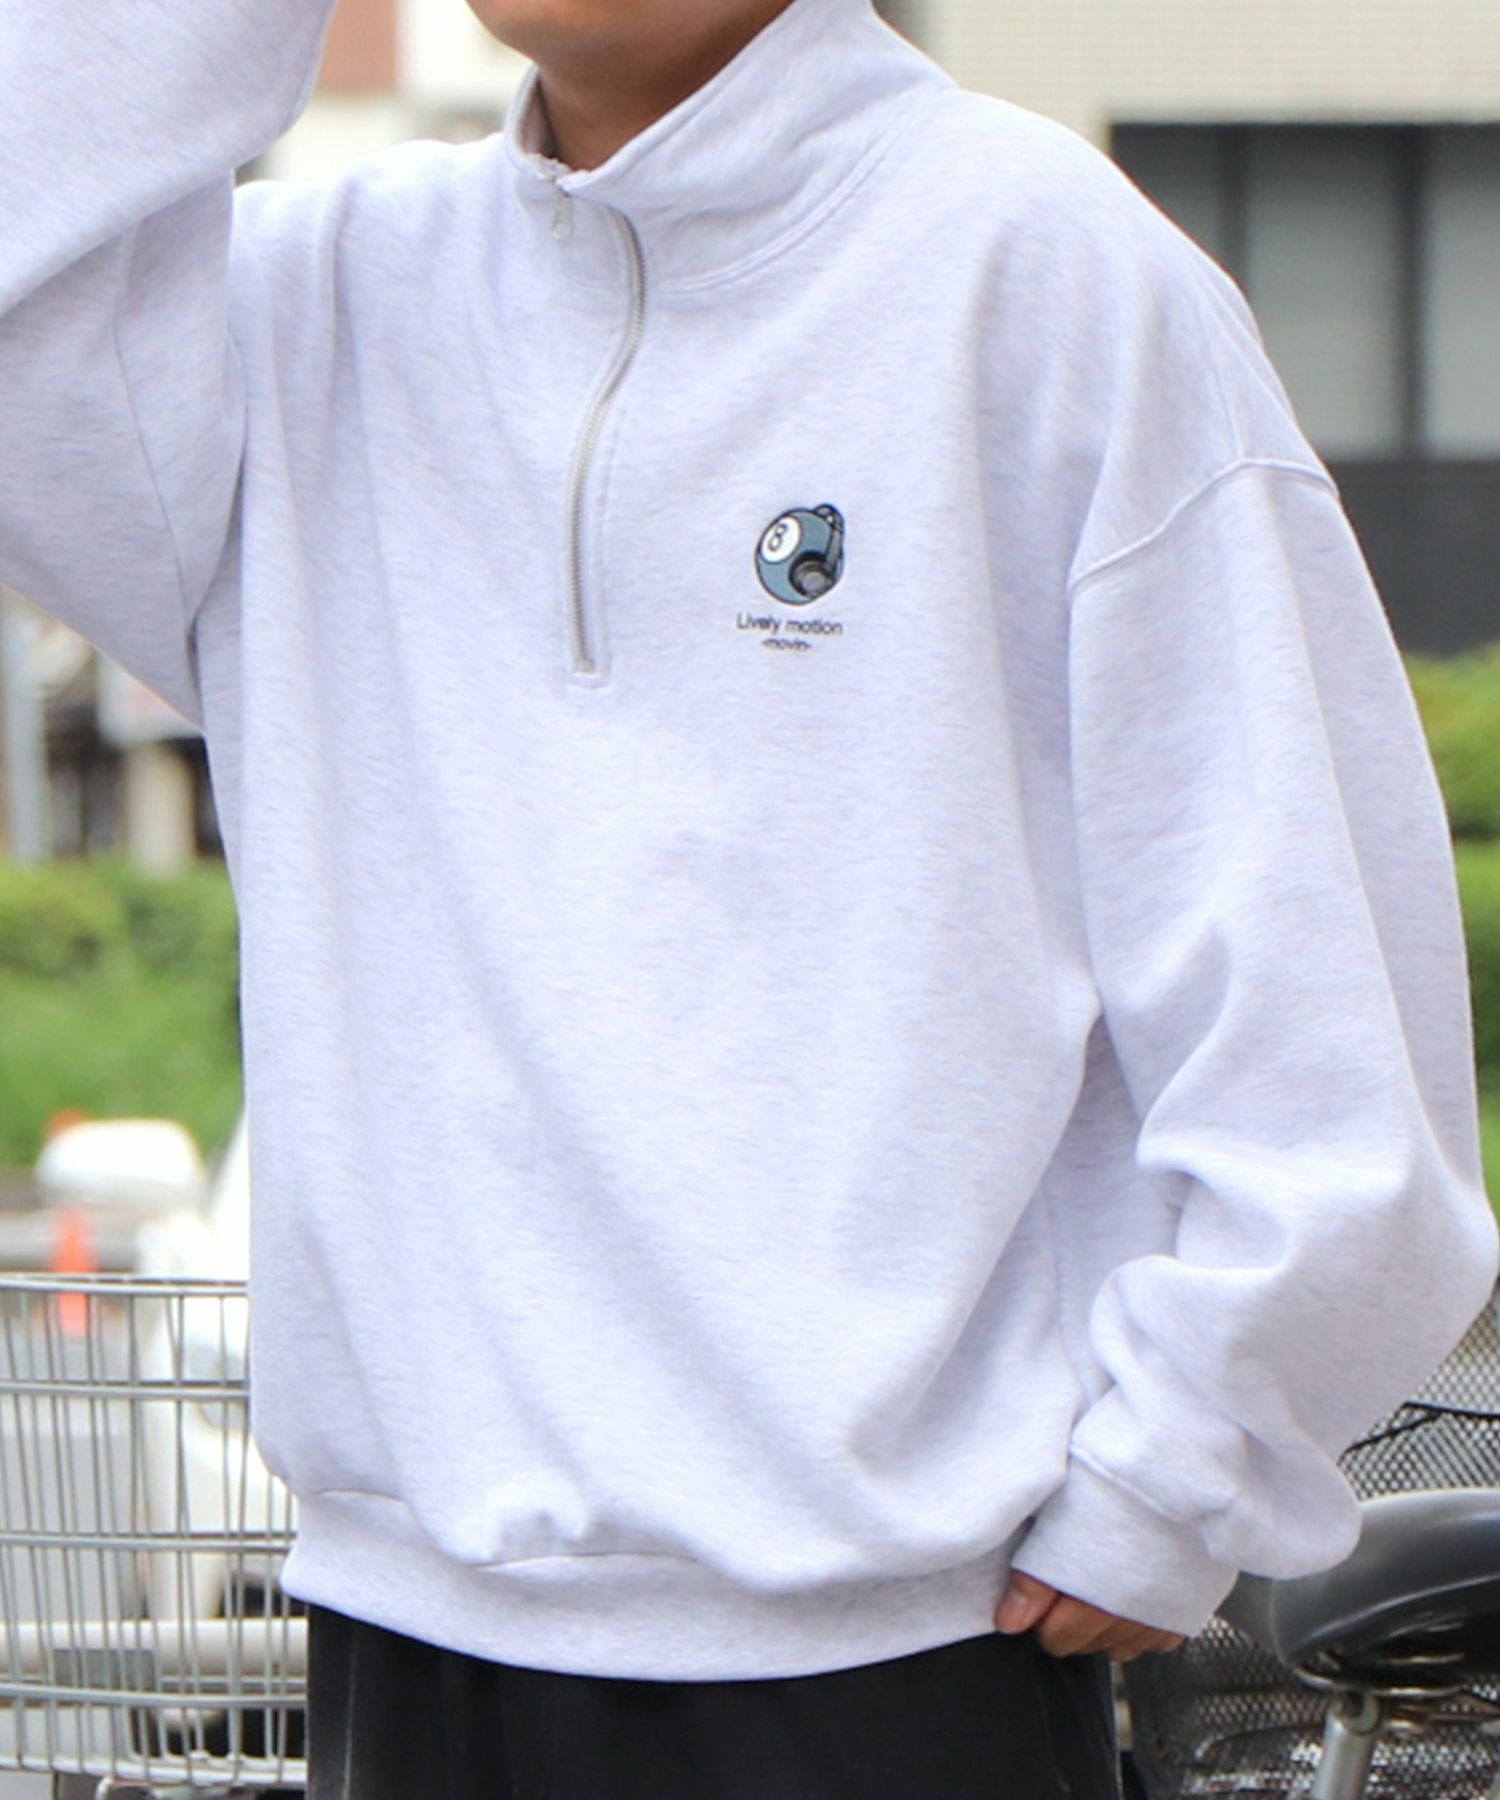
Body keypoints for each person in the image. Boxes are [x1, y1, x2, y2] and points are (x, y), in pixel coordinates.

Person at [3, 0, 1496, 1792]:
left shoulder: (1047, 276)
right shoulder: (309, 303)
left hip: (901, 1654)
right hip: (407, 1632)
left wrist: (1175, 1474)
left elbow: (1323, 1002)